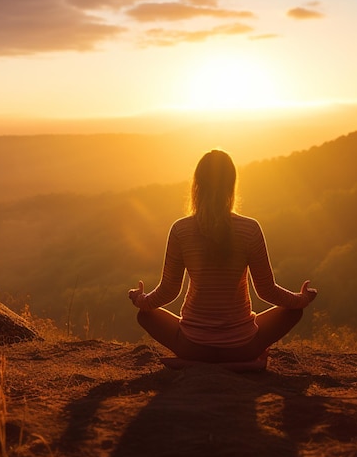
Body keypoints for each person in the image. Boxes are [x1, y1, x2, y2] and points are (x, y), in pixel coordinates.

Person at [128, 149, 317, 363]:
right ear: (231, 185)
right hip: (243, 347)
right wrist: (300, 299)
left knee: (145, 316)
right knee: (294, 312)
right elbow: (266, 291)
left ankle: (195, 360)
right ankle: (244, 363)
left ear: (196, 186)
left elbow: (169, 290)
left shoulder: (180, 230)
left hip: (192, 346)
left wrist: (142, 300)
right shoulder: (250, 229)